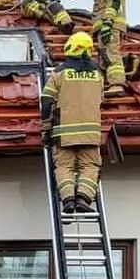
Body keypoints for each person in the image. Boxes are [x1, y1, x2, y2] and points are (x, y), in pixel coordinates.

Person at [40, 32, 104, 213]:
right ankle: (83, 198)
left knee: (64, 166)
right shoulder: (98, 76)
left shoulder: (58, 74)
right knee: (90, 166)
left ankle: (68, 200)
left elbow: (46, 102)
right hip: (91, 134)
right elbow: (100, 99)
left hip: (63, 133)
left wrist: (45, 130)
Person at [91, 0, 128, 97]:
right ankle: (108, 83)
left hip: (110, 25)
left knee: (112, 54)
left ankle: (117, 84)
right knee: (105, 56)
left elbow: (114, 1)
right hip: (106, 26)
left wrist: (107, 22)